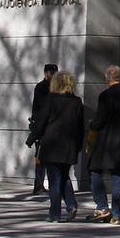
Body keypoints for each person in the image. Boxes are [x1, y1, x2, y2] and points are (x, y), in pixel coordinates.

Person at [87, 65, 120, 225]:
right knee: (118, 177)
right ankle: (116, 214)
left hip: (105, 142)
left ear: (107, 78)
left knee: (94, 171)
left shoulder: (105, 96)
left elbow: (100, 120)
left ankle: (102, 206)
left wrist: (92, 125)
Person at [30, 69, 85, 221]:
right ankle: (71, 205)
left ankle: (54, 214)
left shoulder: (50, 99)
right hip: (69, 146)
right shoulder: (77, 102)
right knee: (64, 176)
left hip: (52, 145)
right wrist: (79, 145)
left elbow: (41, 122)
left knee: (55, 179)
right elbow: (80, 127)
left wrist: (31, 139)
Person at [26, 63, 57, 196]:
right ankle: (38, 185)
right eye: (52, 73)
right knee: (40, 156)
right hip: (42, 125)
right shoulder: (41, 87)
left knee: (47, 157)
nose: (54, 75)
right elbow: (39, 108)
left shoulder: (55, 86)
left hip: (51, 125)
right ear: (46, 73)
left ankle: (43, 185)